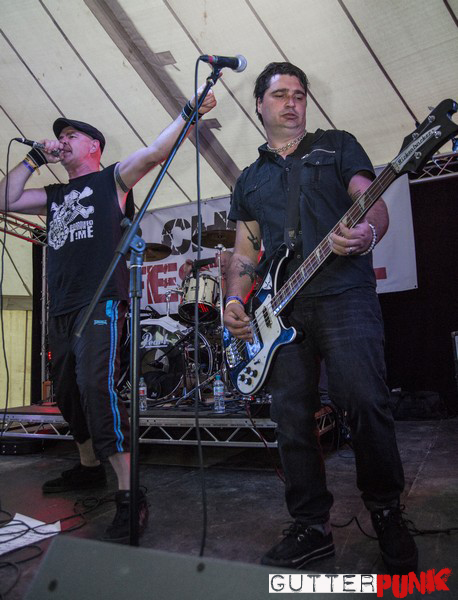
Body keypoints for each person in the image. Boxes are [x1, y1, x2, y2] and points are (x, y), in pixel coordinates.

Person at [223, 62, 418, 574]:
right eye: (280, 94)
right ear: (259, 104)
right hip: (281, 310)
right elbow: (244, 250)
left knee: (364, 401)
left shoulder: (337, 146)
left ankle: (386, 512)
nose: (292, 102)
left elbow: (370, 201)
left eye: (299, 94)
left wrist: (367, 234)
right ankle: (311, 526)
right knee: (290, 418)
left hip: (343, 294)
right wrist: (234, 301)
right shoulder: (250, 179)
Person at [0, 87, 216, 542]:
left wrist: (187, 113)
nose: (63, 141)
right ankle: (87, 468)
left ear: (94, 146)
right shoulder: (54, 194)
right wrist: (35, 158)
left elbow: (154, 152)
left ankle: (129, 494)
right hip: (61, 307)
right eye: (60, 137)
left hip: (99, 302)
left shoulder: (111, 180)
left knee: (96, 388)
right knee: (66, 393)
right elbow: (6, 199)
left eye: (71, 136)